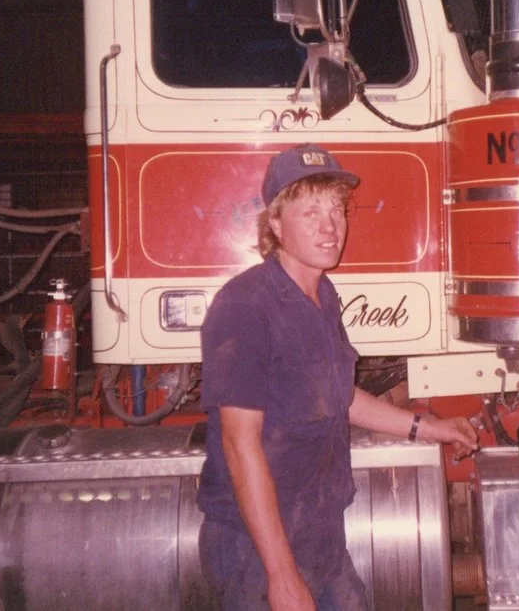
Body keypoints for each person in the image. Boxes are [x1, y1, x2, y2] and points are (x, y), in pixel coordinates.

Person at [197, 143, 479, 610]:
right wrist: (280, 574)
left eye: (337, 210)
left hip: (318, 534)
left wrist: (428, 428)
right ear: (275, 224)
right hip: (256, 545)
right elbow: (238, 443)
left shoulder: (322, 296)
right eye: (310, 213)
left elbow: (337, 395)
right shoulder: (245, 306)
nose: (330, 227)